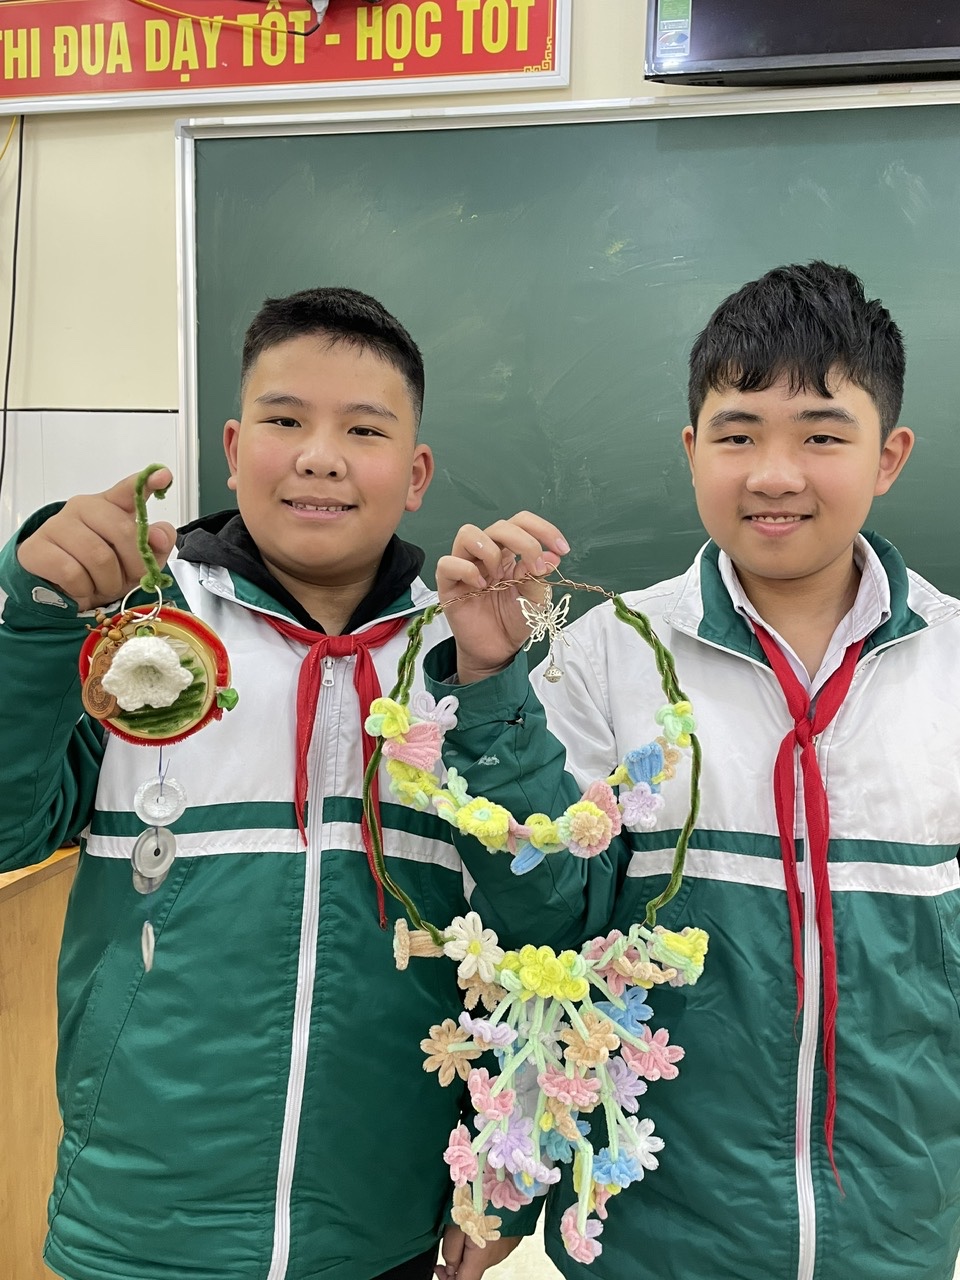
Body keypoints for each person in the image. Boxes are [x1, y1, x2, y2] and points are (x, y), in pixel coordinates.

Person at [0, 286, 584, 1280]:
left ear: (416, 473)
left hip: (383, 1225)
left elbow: (548, 919)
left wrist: (491, 690)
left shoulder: (467, 649)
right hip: (142, 1229)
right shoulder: (139, 634)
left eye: (364, 429)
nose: (319, 455)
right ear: (232, 450)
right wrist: (37, 623)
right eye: (284, 421)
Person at [427, 262, 960, 1279]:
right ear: (691, 450)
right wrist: (493, 685)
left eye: (821, 435)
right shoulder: (606, 655)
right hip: (653, 1232)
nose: (775, 474)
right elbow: (547, 930)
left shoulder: (953, 662)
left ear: (889, 456)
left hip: (898, 1231)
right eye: (738, 434)